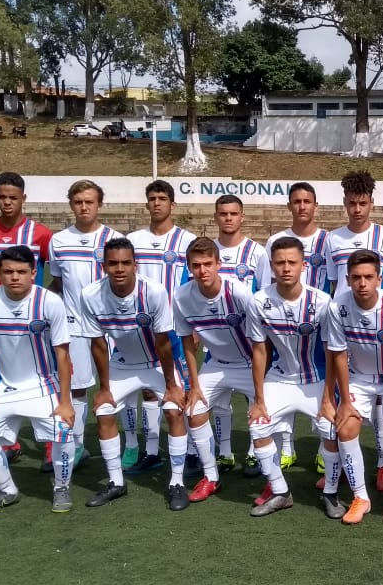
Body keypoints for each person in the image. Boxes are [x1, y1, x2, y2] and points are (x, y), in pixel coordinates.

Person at [76, 238, 191, 511]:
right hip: (123, 363)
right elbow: (98, 344)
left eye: (126, 263)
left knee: (174, 409)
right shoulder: (90, 295)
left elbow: (163, 342)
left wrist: (171, 385)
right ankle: (116, 482)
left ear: (135, 265)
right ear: (103, 266)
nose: (120, 269)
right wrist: (104, 388)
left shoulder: (154, 291)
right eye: (113, 263)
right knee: (104, 410)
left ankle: (177, 483)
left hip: (156, 362)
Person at [0, 245, 75, 514]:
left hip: (43, 384)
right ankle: (6, 490)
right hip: (5, 385)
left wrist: (65, 402)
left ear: (33, 273)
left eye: (21, 271)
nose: (15, 277)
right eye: (8, 271)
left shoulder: (49, 302)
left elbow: (62, 354)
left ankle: (61, 487)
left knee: (63, 429)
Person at [0, 171, 53, 464]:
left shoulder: (40, 234)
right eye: (2, 197)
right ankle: (7, 440)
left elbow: (53, 270)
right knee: (0, 375)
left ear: (23, 198)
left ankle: (50, 443)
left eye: (13, 197)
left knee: (44, 376)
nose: (7, 202)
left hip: (34, 320)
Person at [326, 170, 383, 492]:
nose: (357, 209)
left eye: (363, 203)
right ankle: (343, 464)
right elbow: (334, 284)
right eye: (352, 203)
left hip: (380, 329)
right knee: (346, 394)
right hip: (347, 325)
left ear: (372, 203)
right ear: (344, 203)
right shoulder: (333, 239)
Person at [246, 237, 335, 516]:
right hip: (280, 378)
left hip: (316, 379)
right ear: (272, 266)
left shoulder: (322, 301)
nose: (286, 268)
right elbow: (259, 351)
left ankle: (331, 492)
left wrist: (329, 398)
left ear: (303, 265)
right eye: (280, 262)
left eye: (292, 262)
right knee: (258, 426)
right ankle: (281, 492)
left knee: (333, 430)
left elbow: (332, 352)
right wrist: (258, 399)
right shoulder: (259, 301)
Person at [322, 250, 383, 524]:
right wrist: (345, 401)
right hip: (359, 379)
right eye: (356, 277)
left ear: (379, 278)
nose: (362, 283)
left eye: (369, 277)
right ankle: (361, 497)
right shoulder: (338, 306)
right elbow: (338, 354)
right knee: (345, 427)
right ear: (347, 279)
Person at [173, 238, 255, 504]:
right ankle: (211, 476)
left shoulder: (239, 292)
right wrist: (193, 385)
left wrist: (262, 375)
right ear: (189, 267)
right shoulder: (182, 296)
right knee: (193, 410)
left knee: (266, 415)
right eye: (196, 265)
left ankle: (268, 472)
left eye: (208, 264)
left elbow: (261, 337)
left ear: (219, 264)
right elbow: (187, 342)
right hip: (216, 364)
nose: (202, 270)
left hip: (249, 363)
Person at [48, 179, 122, 469]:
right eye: (78, 202)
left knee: (116, 387)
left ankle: (127, 446)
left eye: (89, 202)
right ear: (71, 205)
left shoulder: (114, 239)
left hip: (110, 328)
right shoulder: (58, 241)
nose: (84, 207)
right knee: (76, 388)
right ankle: (78, 446)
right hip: (73, 327)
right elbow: (58, 282)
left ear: (99, 205)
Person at [260, 182, 331, 477]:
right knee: (284, 377)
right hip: (283, 319)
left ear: (315, 205)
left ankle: (323, 451)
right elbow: (267, 283)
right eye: (297, 201)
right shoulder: (276, 240)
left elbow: (335, 280)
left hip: (317, 319)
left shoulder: (328, 240)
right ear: (289, 205)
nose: (302, 206)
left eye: (307, 201)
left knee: (320, 380)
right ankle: (287, 448)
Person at [125, 180, 197, 474]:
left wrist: (193, 326)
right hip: (141, 329)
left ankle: (192, 450)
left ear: (172, 204)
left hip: (176, 327)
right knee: (148, 390)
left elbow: (193, 285)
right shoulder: (133, 240)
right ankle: (152, 451)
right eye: (152, 198)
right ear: (147, 204)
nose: (157, 203)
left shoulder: (187, 241)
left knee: (184, 388)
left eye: (162, 198)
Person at [210, 195, 267, 473]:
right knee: (220, 398)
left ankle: (255, 450)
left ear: (242, 217)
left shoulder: (257, 252)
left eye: (233, 213)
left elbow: (265, 295)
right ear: (216, 217)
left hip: (248, 339)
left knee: (253, 394)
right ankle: (224, 452)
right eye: (223, 213)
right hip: (215, 337)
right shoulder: (208, 251)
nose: (228, 218)